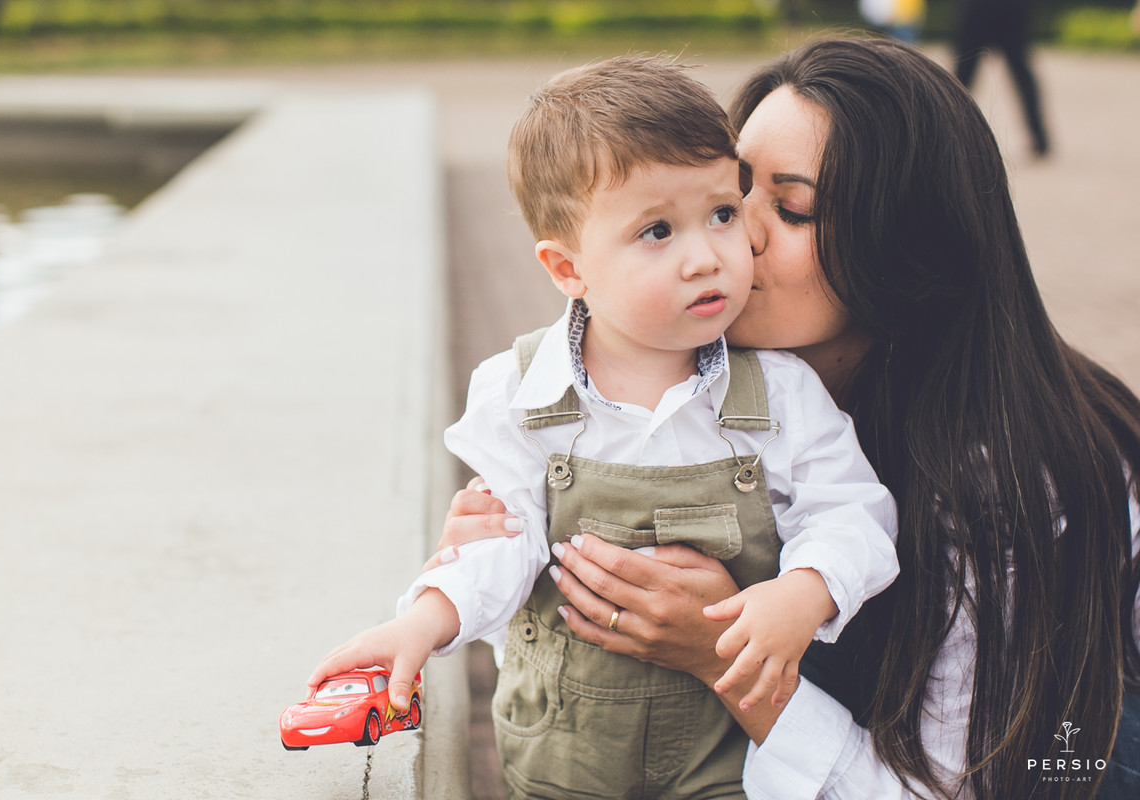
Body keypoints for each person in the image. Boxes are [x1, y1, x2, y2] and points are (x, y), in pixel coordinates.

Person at [435, 37, 1140, 799]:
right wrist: (517, 550)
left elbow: (943, 790)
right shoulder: (689, 385)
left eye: (793, 209)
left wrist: (721, 656)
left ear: (903, 253)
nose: (730, 241)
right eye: (730, 197)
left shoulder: (998, 480)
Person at [309, 55, 898, 799]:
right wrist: (423, 624)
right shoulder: (521, 392)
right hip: (561, 759)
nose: (708, 256)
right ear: (567, 268)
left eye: (721, 212)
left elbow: (853, 513)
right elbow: (500, 537)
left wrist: (803, 591)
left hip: (723, 762)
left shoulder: (781, 392)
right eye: (658, 231)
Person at [952, 0, 1050, 158]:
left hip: (981, 7)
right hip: (1011, 7)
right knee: (1020, 69)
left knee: (962, 75)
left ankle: (948, 131)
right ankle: (1040, 138)